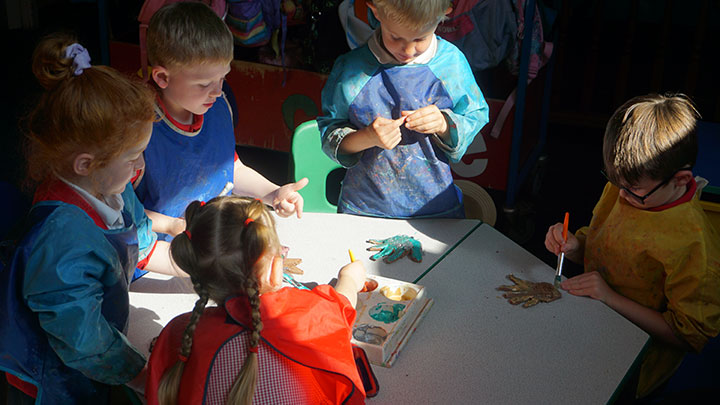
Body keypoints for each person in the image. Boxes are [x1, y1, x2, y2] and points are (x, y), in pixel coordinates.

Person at [0, 35, 187, 404]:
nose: (141, 166)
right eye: (133, 155)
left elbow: (145, 249)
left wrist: (202, 266)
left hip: (99, 354)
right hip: (53, 378)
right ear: (86, 163)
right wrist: (145, 377)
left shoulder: (113, 189)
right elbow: (82, 340)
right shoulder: (61, 240)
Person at [544, 93, 720, 399]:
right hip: (589, 329)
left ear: (680, 180)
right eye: (617, 185)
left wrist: (609, 297)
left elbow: (687, 336)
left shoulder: (694, 246)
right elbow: (602, 240)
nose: (622, 197)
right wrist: (575, 246)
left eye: (634, 192)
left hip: (635, 363)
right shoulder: (628, 185)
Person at [145, 196, 367, 404]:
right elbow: (338, 308)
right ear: (272, 269)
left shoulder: (180, 331)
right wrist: (350, 279)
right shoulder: (302, 314)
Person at [134, 2, 308, 242]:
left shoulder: (218, 107)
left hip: (211, 251)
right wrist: (173, 226)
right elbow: (117, 212)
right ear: (163, 77)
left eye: (223, 77)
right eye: (204, 84)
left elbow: (231, 169)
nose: (217, 91)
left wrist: (274, 193)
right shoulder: (135, 130)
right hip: (157, 261)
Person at [317, 0, 489, 219]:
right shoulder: (352, 70)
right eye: (395, 37)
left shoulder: (450, 64)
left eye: (420, 38)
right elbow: (330, 132)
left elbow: (475, 114)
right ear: (376, 11)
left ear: (443, 14)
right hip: (364, 211)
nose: (408, 51)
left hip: (434, 212)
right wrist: (366, 137)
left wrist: (444, 124)